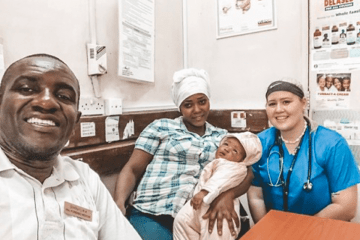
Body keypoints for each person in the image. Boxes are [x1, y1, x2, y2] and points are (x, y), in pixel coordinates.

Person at [0, 54, 141, 239]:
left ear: (75, 123)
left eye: (63, 96)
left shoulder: (83, 178)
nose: (47, 102)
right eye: (26, 89)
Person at [114, 68, 253, 240]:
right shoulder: (161, 127)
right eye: (188, 104)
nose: (196, 109)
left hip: (196, 215)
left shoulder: (223, 138)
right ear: (179, 107)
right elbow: (133, 169)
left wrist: (228, 195)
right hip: (152, 210)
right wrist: (119, 204)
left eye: (202, 101)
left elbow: (245, 172)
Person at [247, 78, 360, 223]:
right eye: (272, 104)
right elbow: (256, 197)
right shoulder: (259, 144)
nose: (279, 109)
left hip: (322, 230)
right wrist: (267, 233)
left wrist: (299, 232)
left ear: (303, 103)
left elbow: (346, 207)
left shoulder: (332, 143)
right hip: (275, 231)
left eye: (286, 102)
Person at [173, 132, 262, 240]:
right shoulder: (219, 162)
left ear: (242, 161)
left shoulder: (234, 167)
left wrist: (204, 192)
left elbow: (219, 179)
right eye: (226, 144)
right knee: (181, 220)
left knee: (217, 231)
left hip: (218, 207)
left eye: (235, 150)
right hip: (199, 206)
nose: (227, 149)